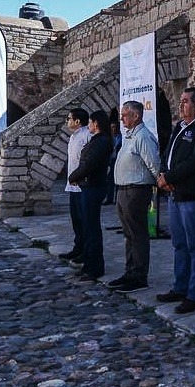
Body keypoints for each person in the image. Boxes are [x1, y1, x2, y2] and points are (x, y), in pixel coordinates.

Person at [155, 87, 195, 314]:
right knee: (179, 244)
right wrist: (163, 175)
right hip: (175, 195)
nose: (181, 105)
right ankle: (180, 287)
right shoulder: (180, 128)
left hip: (193, 197)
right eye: (180, 101)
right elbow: (168, 155)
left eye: (185, 101)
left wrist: (170, 178)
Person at [106, 100, 160, 293]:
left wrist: (160, 182)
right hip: (123, 190)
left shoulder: (143, 136)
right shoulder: (129, 136)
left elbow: (153, 163)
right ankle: (130, 272)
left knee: (137, 234)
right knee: (129, 234)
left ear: (136, 116)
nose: (121, 118)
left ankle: (139, 276)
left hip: (136, 191)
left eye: (125, 115)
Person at [67, 110, 113, 281]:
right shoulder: (97, 140)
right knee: (86, 226)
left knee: (91, 227)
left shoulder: (101, 142)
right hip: (88, 186)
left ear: (96, 124)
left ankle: (95, 266)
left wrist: (74, 176)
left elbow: (89, 164)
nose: (89, 126)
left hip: (93, 187)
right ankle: (88, 261)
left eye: (91, 122)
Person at [57, 108, 91, 267]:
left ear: (77, 121)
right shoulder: (74, 136)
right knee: (76, 220)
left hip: (82, 185)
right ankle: (78, 247)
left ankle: (86, 251)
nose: (67, 121)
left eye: (69, 118)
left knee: (84, 221)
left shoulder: (86, 135)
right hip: (73, 186)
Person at [103, 118, 122, 205]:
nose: (112, 129)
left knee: (117, 180)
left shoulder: (120, 138)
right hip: (111, 160)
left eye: (114, 127)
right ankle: (109, 198)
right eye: (111, 127)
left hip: (118, 160)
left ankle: (117, 198)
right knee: (110, 180)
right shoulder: (109, 138)